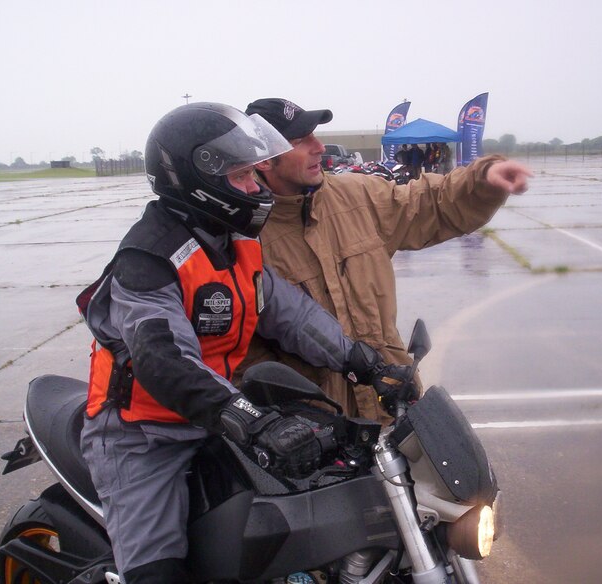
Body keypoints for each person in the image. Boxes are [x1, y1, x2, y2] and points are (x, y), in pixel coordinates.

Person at [76, 102, 415, 583]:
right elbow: (163, 360)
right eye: (241, 178)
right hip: (143, 433)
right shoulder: (147, 260)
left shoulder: (236, 242)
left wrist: (365, 362)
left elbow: (292, 316)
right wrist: (250, 421)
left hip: (215, 414)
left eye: (253, 175)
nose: (255, 188)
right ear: (199, 180)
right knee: (159, 573)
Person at [240, 97, 532, 423]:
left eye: (315, 135)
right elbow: (238, 350)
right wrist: (283, 413)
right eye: (300, 141)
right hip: (316, 425)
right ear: (265, 160)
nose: (319, 146)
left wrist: (482, 180)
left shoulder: (358, 196)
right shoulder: (243, 235)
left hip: (393, 402)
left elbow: (428, 203)